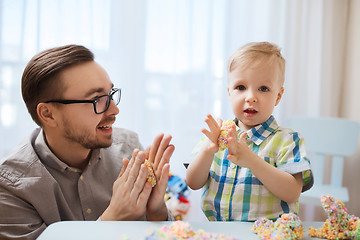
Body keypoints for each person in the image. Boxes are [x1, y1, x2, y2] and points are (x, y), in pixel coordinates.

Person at [0, 44, 175, 239]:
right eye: (97, 99)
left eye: (110, 94)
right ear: (48, 114)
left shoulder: (128, 148)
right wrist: (112, 219)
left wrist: (157, 212)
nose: (114, 110)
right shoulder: (11, 186)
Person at [185, 42, 313, 221]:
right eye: (241, 87)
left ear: (277, 96)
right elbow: (192, 182)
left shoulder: (288, 140)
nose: (251, 97)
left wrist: (252, 160)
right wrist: (208, 150)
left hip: (268, 233)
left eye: (263, 89)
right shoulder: (217, 134)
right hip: (219, 232)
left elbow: (292, 193)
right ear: (229, 93)